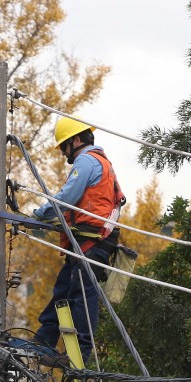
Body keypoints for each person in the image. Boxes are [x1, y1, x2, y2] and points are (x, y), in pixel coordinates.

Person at [32, 117, 125, 365]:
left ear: (76, 140)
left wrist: (39, 214)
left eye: (64, 146)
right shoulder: (102, 163)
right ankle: (44, 340)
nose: (64, 153)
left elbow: (67, 197)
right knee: (64, 289)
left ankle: (80, 354)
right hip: (87, 241)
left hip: (93, 241)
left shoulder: (86, 160)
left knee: (83, 294)